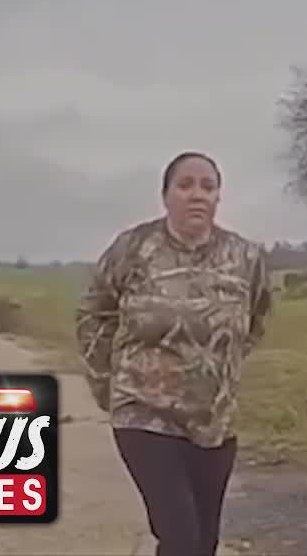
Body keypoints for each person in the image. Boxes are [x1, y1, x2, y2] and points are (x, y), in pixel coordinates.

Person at [75, 151, 273, 556]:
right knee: (181, 536)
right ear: (166, 196)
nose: (197, 195)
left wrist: (220, 370)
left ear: (219, 197)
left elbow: (257, 318)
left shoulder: (246, 258)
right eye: (185, 185)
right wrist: (107, 383)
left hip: (214, 420)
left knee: (203, 542)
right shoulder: (134, 248)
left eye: (208, 186)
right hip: (143, 413)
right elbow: (93, 313)